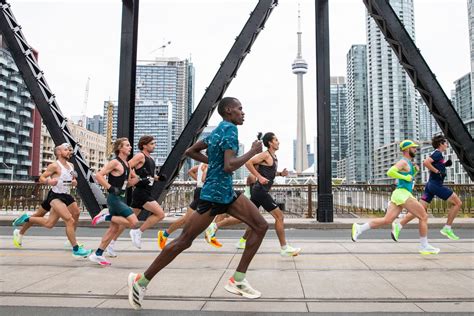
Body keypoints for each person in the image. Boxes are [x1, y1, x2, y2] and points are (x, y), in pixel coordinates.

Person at [127, 97, 268, 310]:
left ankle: (237, 279)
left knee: (260, 225)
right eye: (240, 108)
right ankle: (141, 281)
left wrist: (214, 162)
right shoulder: (229, 130)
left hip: (226, 193)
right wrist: (252, 152)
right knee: (184, 240)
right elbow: (230, 166)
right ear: (229, 111)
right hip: (213, 196)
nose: (243, 112)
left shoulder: (218, 130)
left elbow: (190, 152)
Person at [351, 140, 440, 255]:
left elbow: (407, 179)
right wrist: (407, 176)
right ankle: (424, 246)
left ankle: (359, 228)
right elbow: (390, 172)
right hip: (403, 194)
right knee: (423, 216)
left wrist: (414, 173)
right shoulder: (403, 162)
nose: (415, 150)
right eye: (413, 148)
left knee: (387, 220)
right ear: (407, 149)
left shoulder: (409, 163)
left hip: (399, 193)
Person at [12, 143, 91, 258]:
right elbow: (42, 178)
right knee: (67, 220)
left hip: (66, 195)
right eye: (66, 149)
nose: (69, 151)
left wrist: (74, 182)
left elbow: (73, 180)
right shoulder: (54, 166)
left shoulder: (71, 166)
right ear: (59, 152)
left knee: (60, 220)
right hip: (55, 196)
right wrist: (49, 182)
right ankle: (75, 248)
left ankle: (70, 239)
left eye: (69, 149)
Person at [104, 135, 166, 256]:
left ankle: (111, 244)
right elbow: (127, 165)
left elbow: (149, 176)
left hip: (146, 191)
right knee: (160, 214)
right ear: (144, 145)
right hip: (141, 192)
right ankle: (138, 231)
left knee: (126, 221)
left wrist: (158, 178)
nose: (154, 146)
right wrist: (136, 178)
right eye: (152, 144)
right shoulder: (140, 156)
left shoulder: (151, 159)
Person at [392, 135, 462, 241]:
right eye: (445, 143)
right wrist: (437, 171)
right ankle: (447, 228)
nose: (447, 145)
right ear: (441, 144)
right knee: (458, 203)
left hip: (430, 186)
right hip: (436, 185)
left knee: (419, 209)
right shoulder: (437, 153)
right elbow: (426, 162)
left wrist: (445, 165)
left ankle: (399, 225)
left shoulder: (437, 155)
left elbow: (435, 164)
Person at [88, 138, 140, 266]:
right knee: (134, 222)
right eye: (127, 145)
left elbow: (128, 183)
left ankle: (98, 254)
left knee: (113, 229)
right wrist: (110, 187)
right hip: (113, 198)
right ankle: (106, 216)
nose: (130, 147)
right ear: (120, 148)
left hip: (120, 197)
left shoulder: (127, 164)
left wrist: (140, 179)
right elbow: (98, 175)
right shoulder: (114, 163)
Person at [157, 163, 222, 249]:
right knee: (188, 218)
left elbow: (190, 171)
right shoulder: (209, 163)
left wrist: (198, 180)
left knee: (220, 210)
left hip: (201, 191)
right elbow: (204, 178)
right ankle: (210, 235)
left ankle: (210, 234)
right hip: (204, 192)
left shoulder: (204, 163)